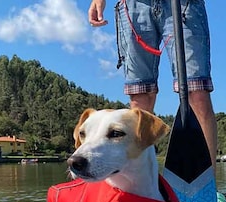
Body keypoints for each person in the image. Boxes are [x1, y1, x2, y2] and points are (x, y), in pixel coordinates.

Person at [88, 0, 217, 166]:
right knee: (139, 97)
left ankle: (208, 187)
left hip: (183, 4)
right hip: (133, 6)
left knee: (197, 92)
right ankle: (139, 183)